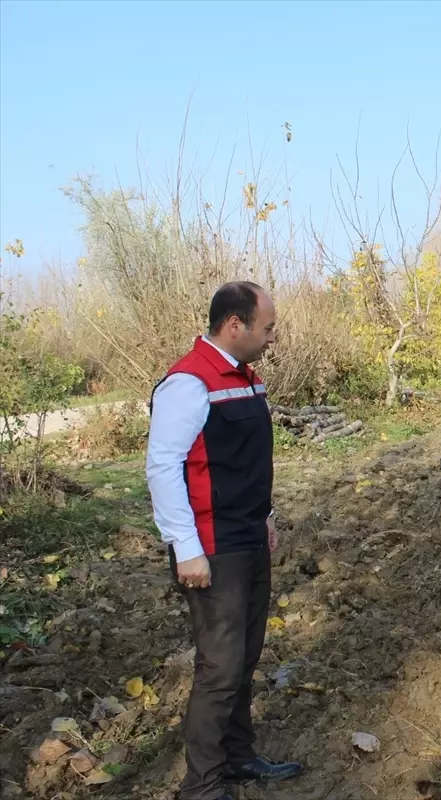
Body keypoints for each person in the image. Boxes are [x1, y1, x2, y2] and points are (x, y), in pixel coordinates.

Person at [145, 281, 302, 800]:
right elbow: (163, 467)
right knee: (219, 667)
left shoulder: (247, 380)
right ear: (235, 325)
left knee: (245, 657)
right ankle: (203, 786)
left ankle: (239, 758)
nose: (273, 336)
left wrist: (267, 516)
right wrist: (186, 549)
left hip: (249, 537)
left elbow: (246, 461)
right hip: (212, 549)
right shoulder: (188, 383)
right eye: (268, 327)